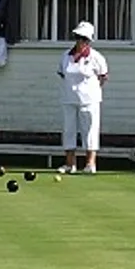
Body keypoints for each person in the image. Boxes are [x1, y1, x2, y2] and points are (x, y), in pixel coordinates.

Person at [58, 21, 108, 175]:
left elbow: (103, 76)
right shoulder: (66, 56)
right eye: (79, 37)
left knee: (90, 130)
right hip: (69, 98)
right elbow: (62, 73)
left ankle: (90, 163)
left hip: (89, 100)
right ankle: (69, 164)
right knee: (69, 130)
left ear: (89, 40)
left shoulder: (96, 57)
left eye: (84, 39)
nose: (81, 41)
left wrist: (92, 90)